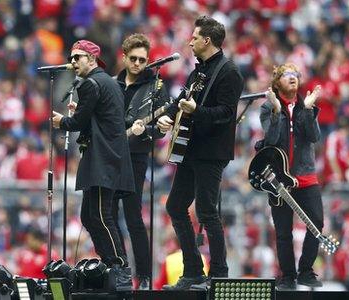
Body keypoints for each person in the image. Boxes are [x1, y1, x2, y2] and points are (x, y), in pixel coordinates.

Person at [156, 15, 244, 290]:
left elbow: (227, 114)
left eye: (194, 37)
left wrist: (197, 111)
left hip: (211, 152)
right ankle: (193, 269)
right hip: (190, 149)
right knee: (175, 206)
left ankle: (219, 274)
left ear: (207, 40)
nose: (190, 41)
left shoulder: (229, 72)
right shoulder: (199, 72)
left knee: (207, 211)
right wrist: (167, 117)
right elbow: (182, 99)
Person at [52, 39, 135, 290]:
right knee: (89, 215)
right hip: (108, 156)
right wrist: (82, 112)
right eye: (72, 57)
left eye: (77, 57)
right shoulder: (106, 82)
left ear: (91, 59)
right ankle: (110, 263)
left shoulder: (90, 83)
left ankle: (119, 266)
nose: (73, 62)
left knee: (100, 215)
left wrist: (61, 122)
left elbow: (77, 123)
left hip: (102, 157)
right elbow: (100, 117)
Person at [113, 33, 170, 290]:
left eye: (142, 60)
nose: (137, 64)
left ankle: (144, 276)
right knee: (108, 215)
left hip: (136, 156)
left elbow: (161, 127)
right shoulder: (113, 84)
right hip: (111, 155)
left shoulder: (155, 85)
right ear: (124, 58)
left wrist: (145, 131)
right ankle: (119, 269)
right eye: (133, 59)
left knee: (133, 215)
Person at [260, 63, 324, 290]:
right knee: (283, 230)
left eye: (295, 74)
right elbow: (271, 141)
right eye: (287, 75)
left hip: (306, 176)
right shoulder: (268, 107)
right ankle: (287, 276)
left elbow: (313, 136)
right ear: (277, 83)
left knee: (316, 222)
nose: (293, 78)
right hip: (279, 179)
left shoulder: (305, 105)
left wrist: (307, 109)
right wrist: (277, 111)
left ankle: (306, 270)